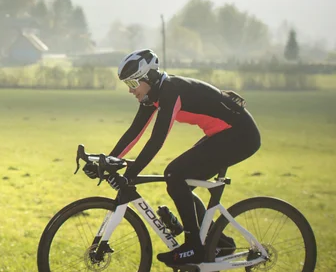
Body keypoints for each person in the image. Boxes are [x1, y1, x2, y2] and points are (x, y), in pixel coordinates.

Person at [84, 49, 261, 266]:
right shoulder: (154, 95)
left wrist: (131, 173)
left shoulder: (171, 91)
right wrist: (108, 161)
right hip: (224, 134)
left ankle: (194, 247)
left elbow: (156, 140)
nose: (131, 91)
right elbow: (134, 132)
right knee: (181, 180)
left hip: (241, 135)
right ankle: (220, 243)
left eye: (132, 84)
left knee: (174, 173)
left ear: (147, 78)